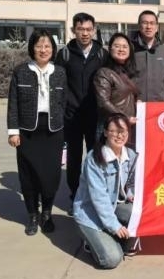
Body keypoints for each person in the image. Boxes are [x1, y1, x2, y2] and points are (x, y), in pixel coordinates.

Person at [7, 29, 67, 235]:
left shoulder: (59, 72)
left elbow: (64, 102)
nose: (43, 50)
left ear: (53, 49)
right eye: (39, 46)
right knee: (28, 176)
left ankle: (47, 214)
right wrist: (13, 131)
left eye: (47, 46)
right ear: (32, 48)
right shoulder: (21, 71)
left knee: (51, 176)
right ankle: (32, 215)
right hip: (27, 131)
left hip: (53, 130)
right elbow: (13, 103)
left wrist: (64, 131)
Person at [55, 12, 110, 211]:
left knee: (96, 157)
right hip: (72, 117)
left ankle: (95, 197)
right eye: (80, 29)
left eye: (88, 29)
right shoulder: (65, 54)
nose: (85, 33)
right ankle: (75, 196)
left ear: (94, 30)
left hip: (95, 116)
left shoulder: (102, 54)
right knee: (74, 159)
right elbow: (58, 85)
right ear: (73, 30)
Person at [73, 113, 140, 269]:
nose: (119, 136)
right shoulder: (94, 159)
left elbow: (132, 183)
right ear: (105, 132)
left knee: (137, 213)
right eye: (114, 131)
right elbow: (99, 198)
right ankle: (90, 240)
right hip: (90, 214)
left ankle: (109, 238)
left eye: (123, 131)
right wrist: (114, 226)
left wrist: (132, 196)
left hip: (114, 206)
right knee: (112, 259)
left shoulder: (130, 155)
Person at [93, 33, 139, 149]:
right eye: (117, 46)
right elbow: (103, 102)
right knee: (108, 158)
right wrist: (124, 117)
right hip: (112, 126)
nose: (121, 49)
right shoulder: (104, 72)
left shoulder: (129, 72)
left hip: (128, 126)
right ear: (110, 49)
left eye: (125, 46)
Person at [132, 10, 164, 102]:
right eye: (145, 23)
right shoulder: (130, 49)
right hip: (137, 104)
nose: (148, 27)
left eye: (152, 23)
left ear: (156, 27)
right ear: (139, 26)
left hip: (160, 105)